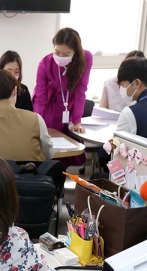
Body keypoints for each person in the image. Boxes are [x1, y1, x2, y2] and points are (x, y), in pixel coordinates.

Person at [32, 27, 93, 168]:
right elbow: (40, 97)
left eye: (66, 54)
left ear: (75, 52)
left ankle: (59, 180)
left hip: (68, 105)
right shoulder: (45, 63)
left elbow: (81, 90)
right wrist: (37, 122)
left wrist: (77, 121)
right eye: (57, 52)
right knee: (47, 148)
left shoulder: (86, 58)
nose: (60, 56)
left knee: (67, 149)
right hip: (49, 106)